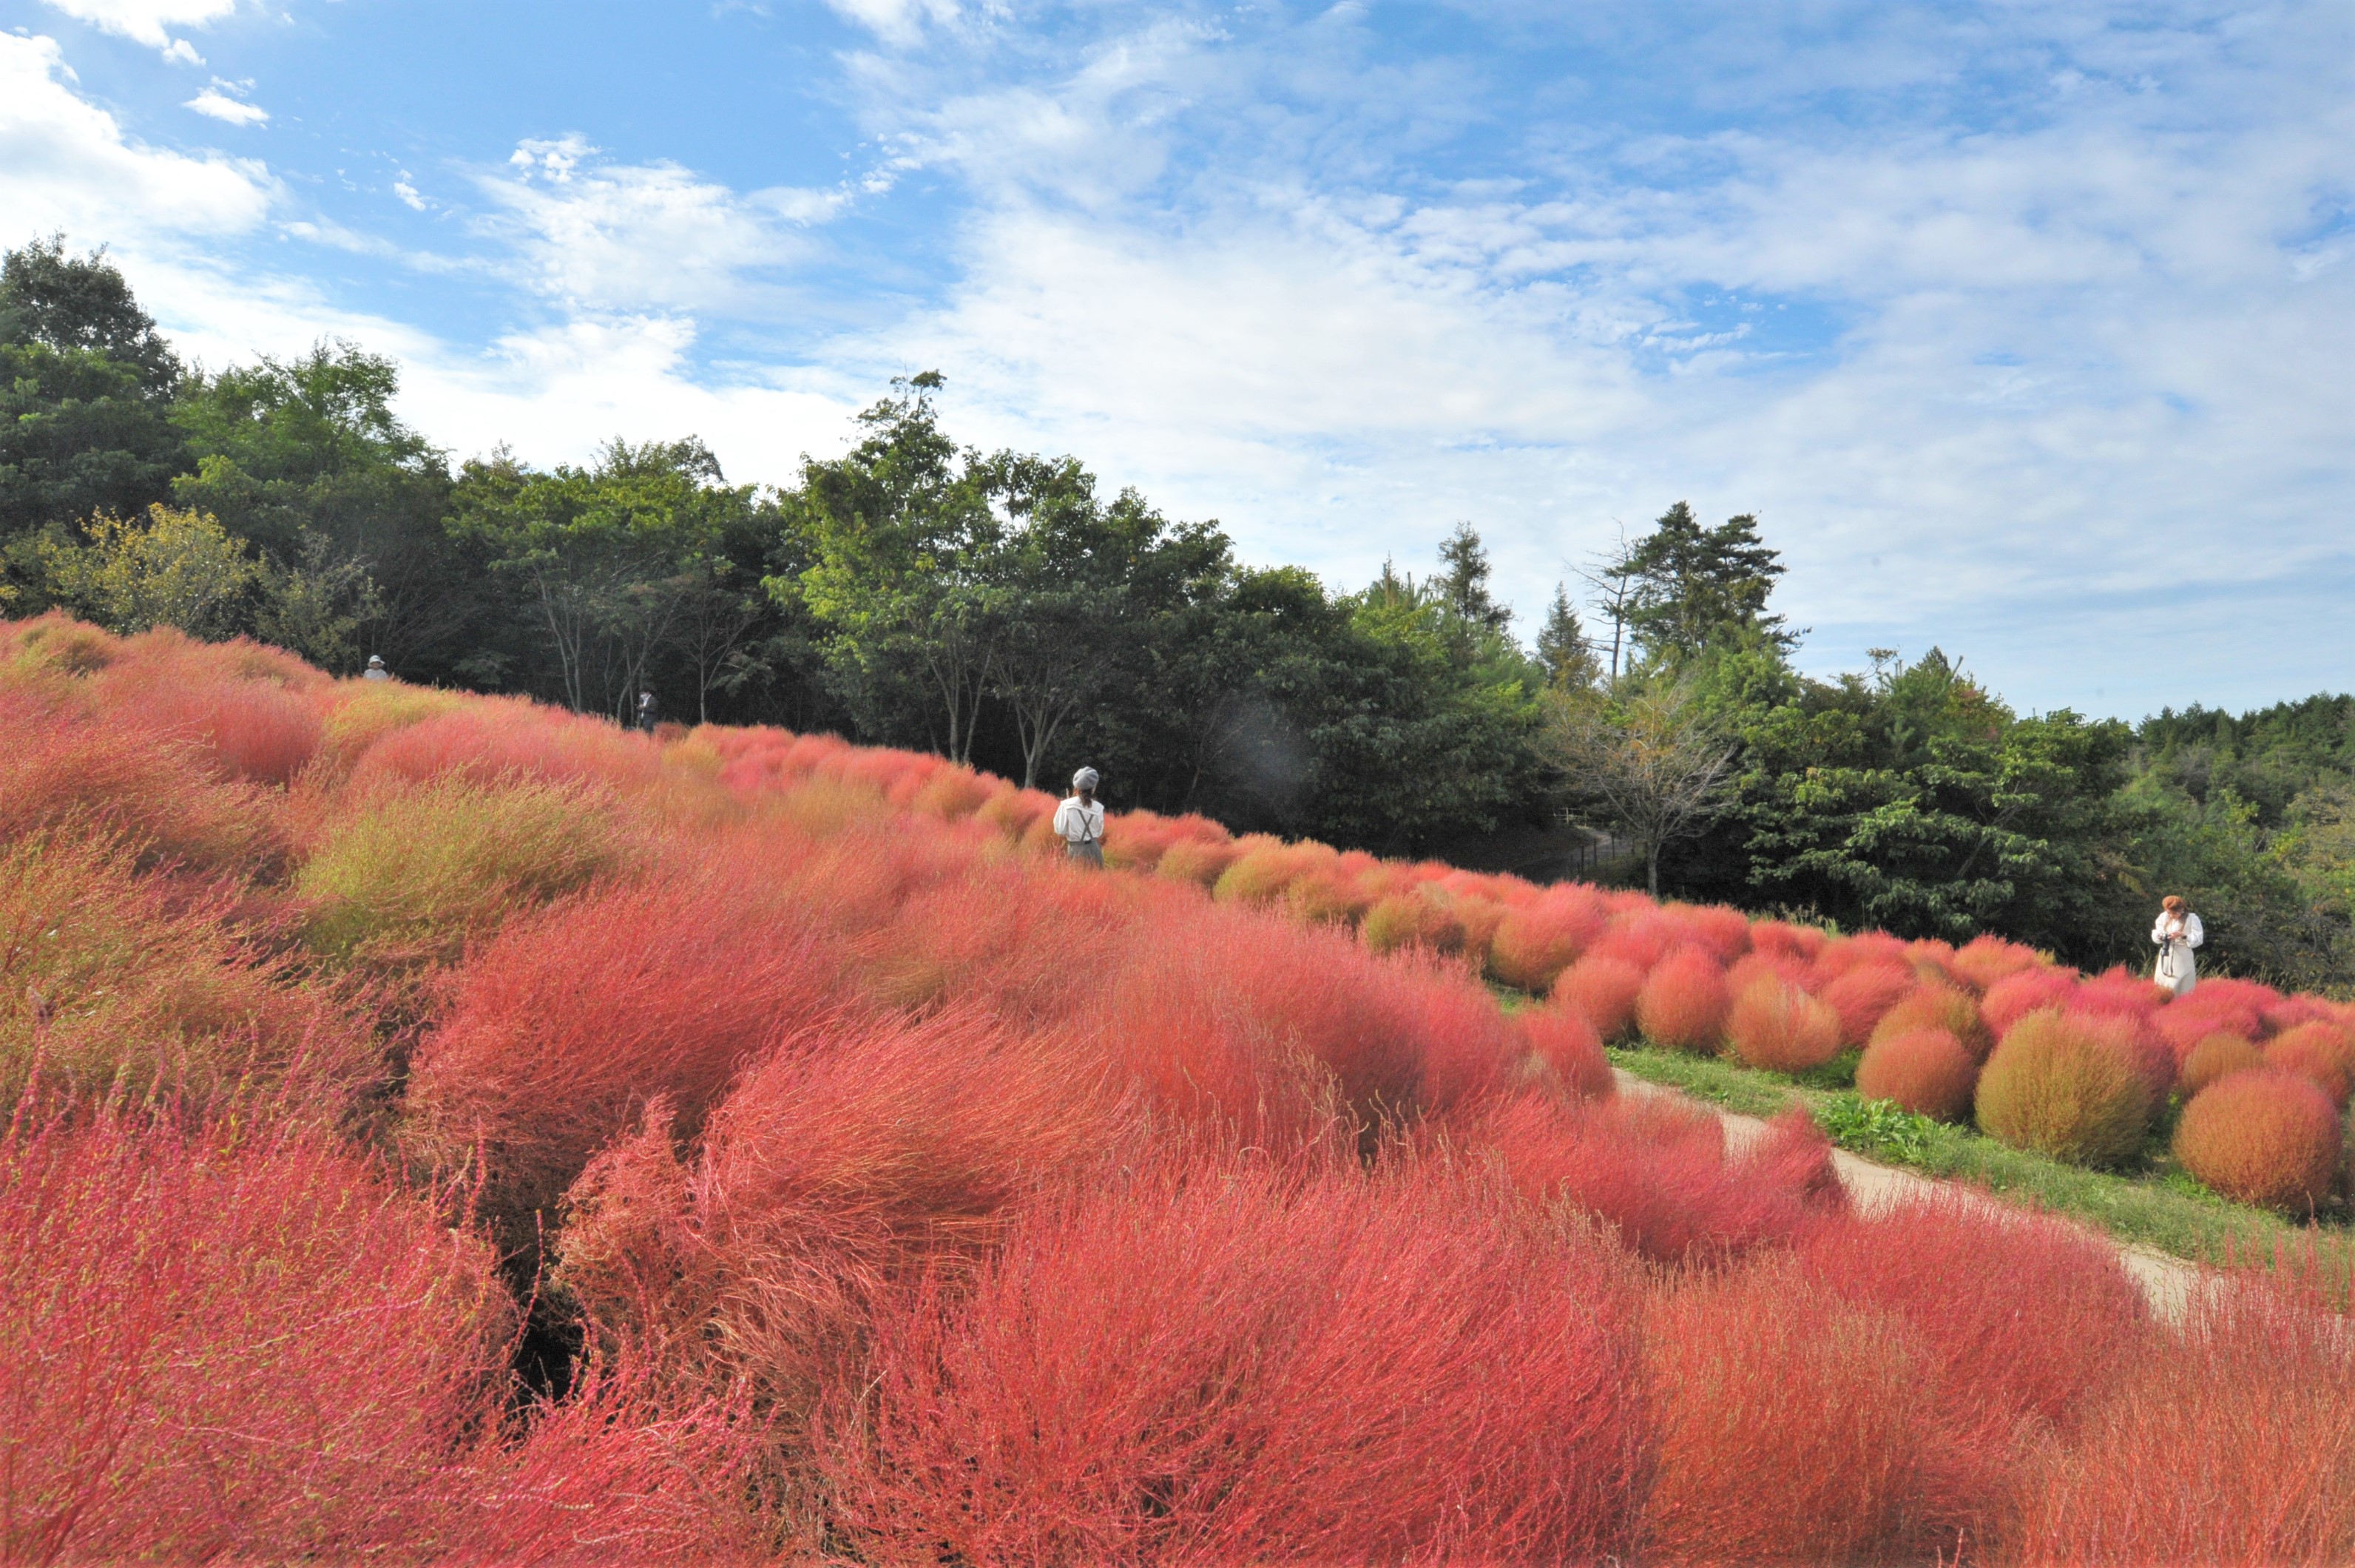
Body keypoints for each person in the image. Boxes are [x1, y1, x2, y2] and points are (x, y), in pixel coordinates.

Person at [1054, 767, 1106, 867]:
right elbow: (1099, 832)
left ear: (1077, 787)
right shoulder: (1099, 808)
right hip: (1094, 850)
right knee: (1095, 880)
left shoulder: (1066, 805)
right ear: (1093, 787)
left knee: (1077, 880)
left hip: (1075, 850)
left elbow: (1060, 831)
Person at [2152, 894, 2203, 997]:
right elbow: (2157, 933)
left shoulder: (2192, 918)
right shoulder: (2163, 917)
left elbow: (2199, 939)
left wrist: (2183, 936)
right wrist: (2161, 936)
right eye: (2169, 912)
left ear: (2182, 909)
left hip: (2183, 956)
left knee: (2181, 986)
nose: (2171, 915)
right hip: (2166, 954)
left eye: (2174, 913)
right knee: (2163, 984)